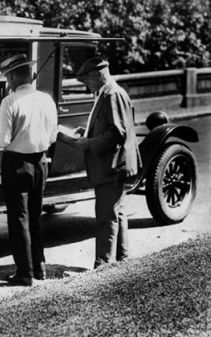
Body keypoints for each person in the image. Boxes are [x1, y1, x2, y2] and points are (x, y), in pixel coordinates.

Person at [0, 54, 57, 286]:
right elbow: (53, 135)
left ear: (14, 75)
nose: (7, 81)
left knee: (19, 219)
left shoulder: (11, 101)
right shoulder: (46, 100)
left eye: (8, 76)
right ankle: (39, 266)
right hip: (40, 162)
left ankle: (24, 272)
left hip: (17, 163)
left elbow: (1, 140)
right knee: (35, 216)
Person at [64, 56, 141, 269]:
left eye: (87, 81)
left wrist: (88, 142)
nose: (87, 86)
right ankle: (122, 259)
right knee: (117, 211)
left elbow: (117, 133)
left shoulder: (112, 94)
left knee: (106, 215)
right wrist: (87, 132)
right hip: (114, 164)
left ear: (99, 74)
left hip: (111, 165)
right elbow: (110, 127)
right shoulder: (108, 92)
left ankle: (104, 264)